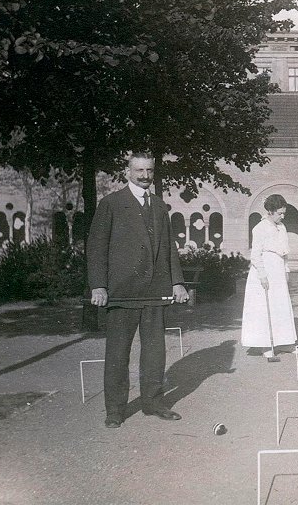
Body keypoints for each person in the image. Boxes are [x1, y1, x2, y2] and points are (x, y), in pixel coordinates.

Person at [87, 152, 191, 429]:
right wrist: (98, 284)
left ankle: (154, 403)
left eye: (149, 170)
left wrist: (177, 282)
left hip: (155, 291)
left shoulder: (159, 206)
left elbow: (169, 247)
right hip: (122, 292)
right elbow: (96, 247)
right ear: (128, 172)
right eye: (139, 170)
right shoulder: (111, 204)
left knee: (155, 353)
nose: (145, 175)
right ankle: (115, 410)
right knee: (118, 354)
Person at [240, 194, 298, 362]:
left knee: (280, 306)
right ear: (271, 211)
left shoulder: (281, 227)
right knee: (263, 309)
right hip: (264, 271)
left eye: (283, 213)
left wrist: (286, 270)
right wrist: (262, 275)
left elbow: (284, 253)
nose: (282, 216)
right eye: (280, 213)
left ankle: (284, 342)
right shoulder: (259, 228)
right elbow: (255, 255)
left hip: (279, 270)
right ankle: (265, 345)